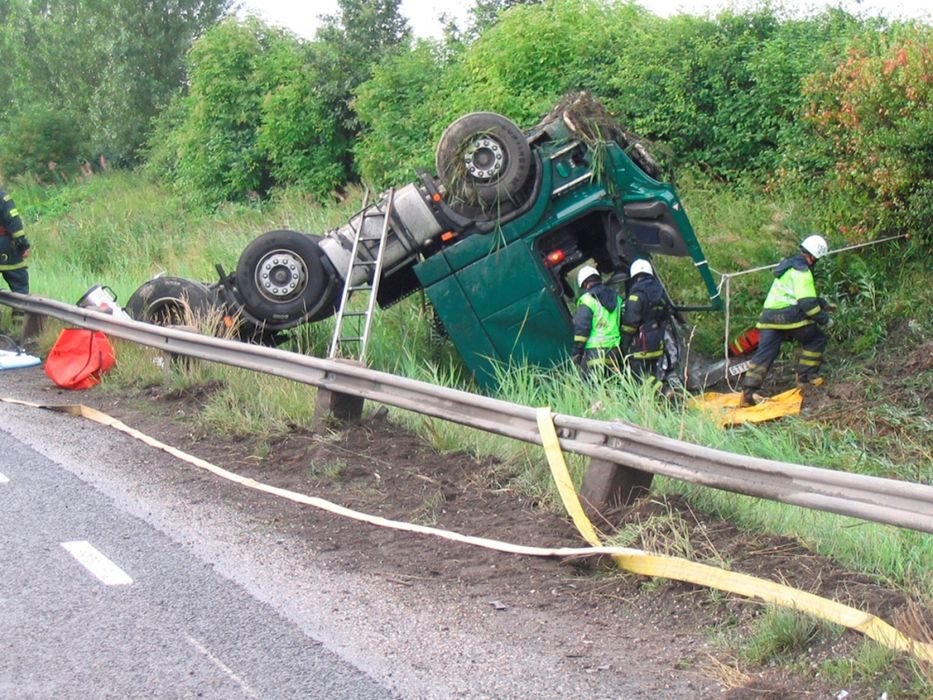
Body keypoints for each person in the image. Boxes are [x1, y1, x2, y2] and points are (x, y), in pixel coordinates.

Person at [740, 234, 832, 407]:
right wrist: (824, 319)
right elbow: (806, 303)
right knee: (815, 339)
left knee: (765, 353)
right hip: (790, 317)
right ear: (814, 257)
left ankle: (748, 393)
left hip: (768, 318)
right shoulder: (802, 271)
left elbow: (793, 295)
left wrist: (822, 304)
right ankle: (806, 378)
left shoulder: (786, 268)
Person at [620, 259, 670, 388]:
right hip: (657, 343)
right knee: (652, 375)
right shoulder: (661, 293)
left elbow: (630, 323)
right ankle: (661, 397)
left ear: (634, 275)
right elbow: (665, 316)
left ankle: (664, 392)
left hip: (641, 346)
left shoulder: (636, 295)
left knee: (638, 378)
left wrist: (624, 344)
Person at [571, 265, 623, 376]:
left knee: (592, 387)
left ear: (584, 284)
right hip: (615, 349)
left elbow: (582, 329)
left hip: (595, 351)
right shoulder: (617, 299)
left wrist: (577, 351)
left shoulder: (587, 300)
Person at [0, 189, 30, 327]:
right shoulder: (3, 197)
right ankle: (19, 326)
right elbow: (14, 223)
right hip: (6, 248)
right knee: (19, 286)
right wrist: (23, 245)